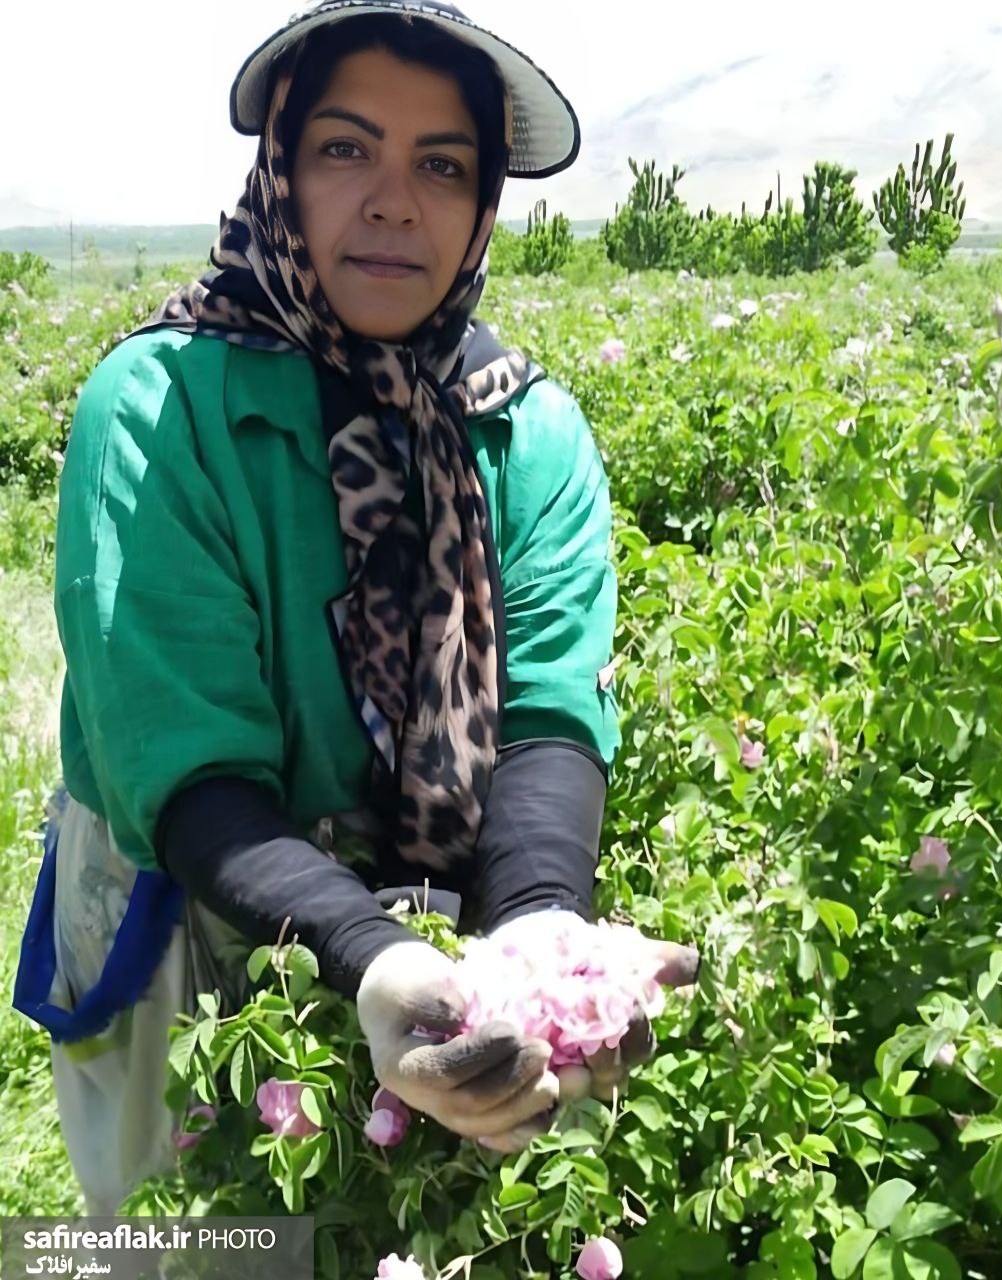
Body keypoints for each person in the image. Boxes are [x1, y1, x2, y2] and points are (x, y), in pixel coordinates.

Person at [13, 0, 698, 1215]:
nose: (393, 202)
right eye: (344, 149)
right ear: (279, 166)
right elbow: (187, 765)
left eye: (441, 164)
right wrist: (370, 955)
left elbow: (545, 715)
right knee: (190, 1234)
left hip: (436, 908)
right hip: (189, 903)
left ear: (483, 202)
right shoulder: (161, 407)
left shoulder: (526, 428)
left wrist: (536, 929)